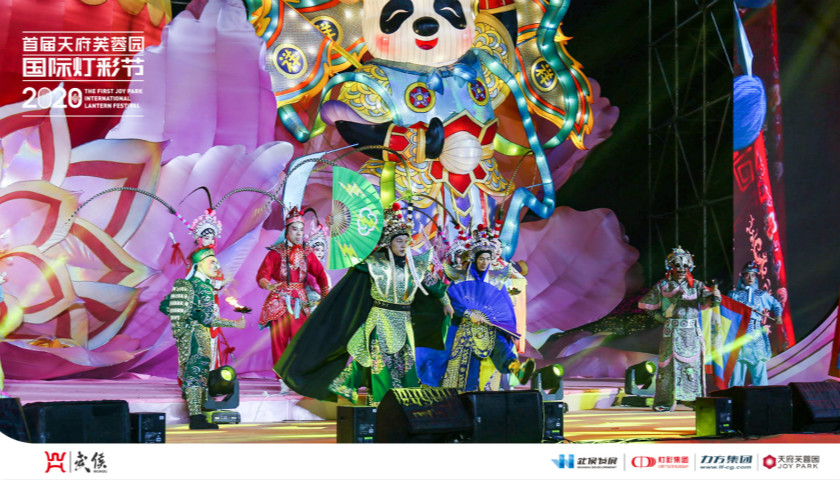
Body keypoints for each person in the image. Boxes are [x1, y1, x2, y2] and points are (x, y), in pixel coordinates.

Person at [275, 203, 454, 405]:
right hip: (381, 319)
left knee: (406, 362)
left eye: (406, 241)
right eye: (399, 241)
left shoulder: (414, 266)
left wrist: (445, 301)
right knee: (381, 362)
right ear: (389, 243)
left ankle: (405, 402)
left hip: (404, 322)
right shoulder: (374, 264)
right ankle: (382, 403)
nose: (403, 245)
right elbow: (352, 285)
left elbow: (434, 285)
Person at [434, 227, 530, 391]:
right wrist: (469, 314)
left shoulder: (495, 280)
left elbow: (505, 306)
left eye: (487, 259)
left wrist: (508, 328)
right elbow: (453, 301)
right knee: (469, 367)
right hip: (465, 326)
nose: (484, 262)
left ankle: (515, 368)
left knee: (499, 340)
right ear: (474, 259)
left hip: (488, 327)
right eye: (481, 259)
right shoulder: (462, 278)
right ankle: (467, 394)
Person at [160, 247, 245, 429]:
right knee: (197, 374)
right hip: (198, 336)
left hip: (185, 337)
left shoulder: (186, 284)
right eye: (212, 262)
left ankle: (196, 415)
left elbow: (165, 305)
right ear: (199, 264)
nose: (217, 266)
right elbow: (207, 319)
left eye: (217, 262)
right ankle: (196, 418)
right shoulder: (204, 287)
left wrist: (185, 319)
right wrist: (234, 324)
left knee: (192, 373)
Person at [639, 246, 721, 412]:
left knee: (693, 368)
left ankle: (693, 399)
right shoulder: (663, 285)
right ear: (670, 267)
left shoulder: (696, 285)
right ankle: (665, 402)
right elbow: (647, 305)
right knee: (668, 368)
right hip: (672, 332)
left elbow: (710, 302)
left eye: (685, 266)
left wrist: (715, 296)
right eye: (678, 265)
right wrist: (662, 319)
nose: (682, 269)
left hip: (691, 333)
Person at [256, 206, 330, 384]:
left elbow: (321, 275)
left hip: (299, 302)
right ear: (287, 230)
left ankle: (298, 375)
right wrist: (268, 285)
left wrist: (325, 295)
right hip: (279, 301)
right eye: (294, 229)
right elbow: (262, 275)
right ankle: (282, 377)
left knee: (300, 340)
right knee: (279, 341)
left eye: (301, 230)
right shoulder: (276, 252)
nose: (298, 233)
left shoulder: (307, 253)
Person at [727, 261, 783, 386]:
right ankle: (735, 397)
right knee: (737, 376)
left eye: (753, 275)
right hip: (739, 336)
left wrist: (778, 315)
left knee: (760, 375)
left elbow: (776, 304)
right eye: (747, 274)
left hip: (756, 335)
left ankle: (762, 397)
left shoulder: (761, 295)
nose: (750, 278)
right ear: (743, 276)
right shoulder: (734, 295)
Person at [303, 220, 330, 311]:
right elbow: (317, 286)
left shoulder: (321, 270)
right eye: (317, 249)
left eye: (322, 250)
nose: (320, 253)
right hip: (308, 303)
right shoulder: (308, 269)